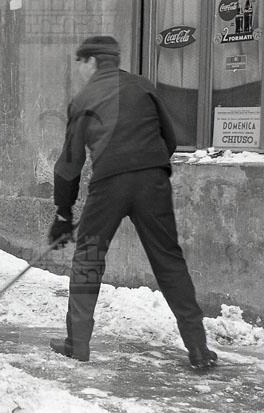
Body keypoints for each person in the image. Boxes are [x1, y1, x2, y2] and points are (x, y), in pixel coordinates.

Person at [48, 36, 217, 369]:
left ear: (92, 61)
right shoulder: (143, 86)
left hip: (109, 185)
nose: (79, 70)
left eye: (80, 62)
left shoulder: (83, 100)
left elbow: (68, 165)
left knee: (88, 258)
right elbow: (170, 138)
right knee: (169, 260)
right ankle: (198, 348)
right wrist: (146, 168)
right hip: (153, 182)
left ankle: (77, 344)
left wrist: (63, 214)